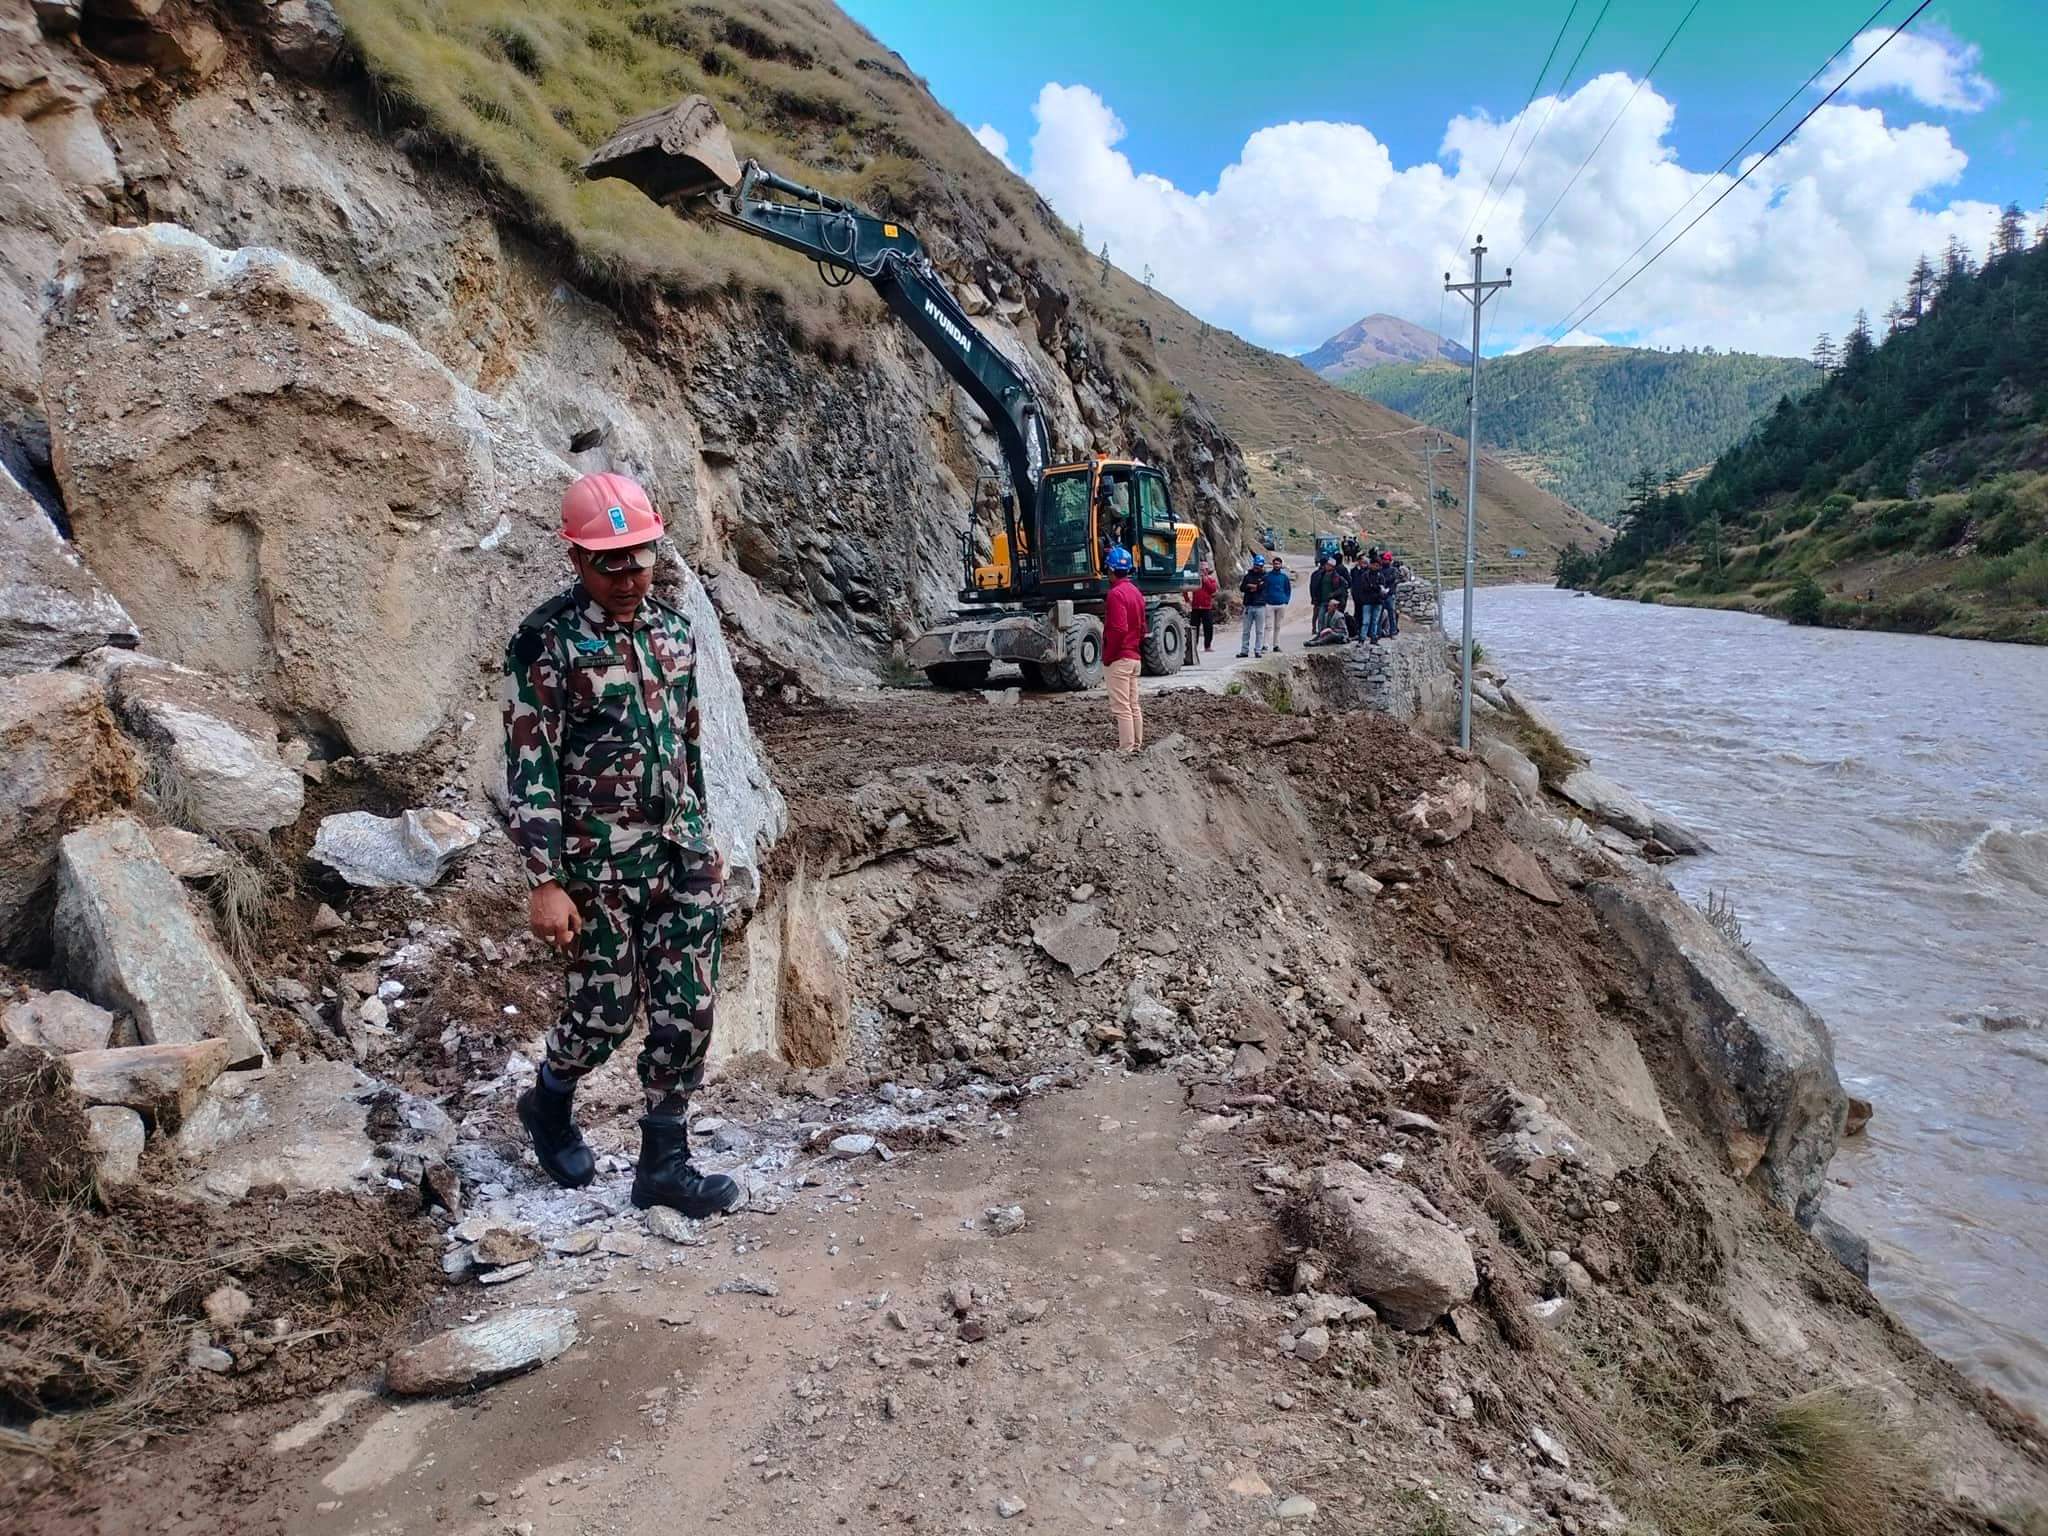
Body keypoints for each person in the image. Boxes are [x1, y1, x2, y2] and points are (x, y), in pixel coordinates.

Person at [503, 471, 742, 1218]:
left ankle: (664, 1164)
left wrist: (705, 836)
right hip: (597, 868)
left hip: (679, 857)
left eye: (640, 555)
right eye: (610, 561)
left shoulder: (674, 631)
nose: (629, 574)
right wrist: (546, 878)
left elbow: (688, 745)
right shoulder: (547, 643)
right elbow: (529, 762)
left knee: (688, 1011)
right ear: (576, 560)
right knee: (602, 1018)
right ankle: (547, 1103)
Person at [1102, 544, 1144, 753]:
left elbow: (1118, 629)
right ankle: (1136, 744)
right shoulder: (1136, 593)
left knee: (1121, 707)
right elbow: (1142, 627)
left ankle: (1126, 748)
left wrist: (1108, 656)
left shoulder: (1116, 594)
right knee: (1133, 704)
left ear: (1110, 569)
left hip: (1120, 657)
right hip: (1134, 656)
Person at [1237, 554, 1268, 657]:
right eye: (1255, 565)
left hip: (1260, 605)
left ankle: (1258, 650)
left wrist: (1255, 587)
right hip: (1249, 605)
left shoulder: (1265, 576)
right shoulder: (1248, 576)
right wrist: (1251, 587)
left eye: (1258, 566)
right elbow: (1242, 588)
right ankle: (1244, 650)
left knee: (1259, 631)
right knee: (1246, 630)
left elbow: (1263, 587)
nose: (1256, 568)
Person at [1188, 559, 1218, 661]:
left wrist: (1206, 581)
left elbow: (1213, 590)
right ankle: (1193, 646)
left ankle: (1207, 645)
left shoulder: (1211, 579)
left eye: (1205, 569)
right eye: (1201, 569)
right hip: (1195, 607)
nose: (1203, 571)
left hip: (1206, 607)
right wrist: (1187, 600)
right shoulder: (1194, 578)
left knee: (1208, 627)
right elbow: (1186, 589)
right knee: (1194, 628)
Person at [1263, 555, 1292, 652]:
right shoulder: (1267, 576)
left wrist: (1286, 600)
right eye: (1275, 564)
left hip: (1281, 603)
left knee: (1278, 626)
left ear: (1281, 565)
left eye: (1278, 564)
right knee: (1268, 625)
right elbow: (1264, 589)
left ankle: (1276, 645)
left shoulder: (1284, 577)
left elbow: (1288, 589)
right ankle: (1265, 645)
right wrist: (1265, 599)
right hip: (1269, 604)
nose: (1276, 565)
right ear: (1272, 565)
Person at [1349, 553, 1376, 643]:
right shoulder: (1354, 571)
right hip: (1357, 596)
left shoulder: (1367, 571)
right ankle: (1357, 632)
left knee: (1365, 616)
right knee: (1357, 614)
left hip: (1364, 597)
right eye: (1363, 560)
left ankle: (1365, 633)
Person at [1378, 549, 1402, 639]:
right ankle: (1378, 632)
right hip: (1381, 594)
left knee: (1391, 615)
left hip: (1390, 594)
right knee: (1379, 615)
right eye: (1384, 559)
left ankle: (1393, 632)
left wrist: (1386, 588)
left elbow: (1392, 580)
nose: (1385, 561)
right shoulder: (1380, 570)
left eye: (1386, 560)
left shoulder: (1393, 570)